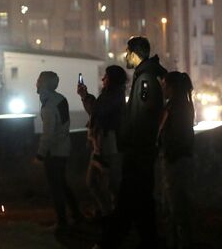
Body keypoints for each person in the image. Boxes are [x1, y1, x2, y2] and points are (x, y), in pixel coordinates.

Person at [98, 36, 167, 249]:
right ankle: (149, 241)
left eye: (126, 52)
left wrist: (134, 145)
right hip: (141, 151)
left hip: (139, 152)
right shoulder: (147, 74)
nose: (124, 56)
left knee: (129, 201)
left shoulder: (145, 77)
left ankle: (109, 243)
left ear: (134, 53)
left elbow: (144, 116)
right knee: (141, 202)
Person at [35, 71, 83, 233]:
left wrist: (40, 154)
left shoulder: (49, 105)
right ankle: (77, 216)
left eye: (39, 81)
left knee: (56, 187)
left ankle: (62, 222)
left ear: (44, 84)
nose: (36, 83)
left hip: (54, 152)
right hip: (63, 148)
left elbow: (48, 133)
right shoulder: (60, 99)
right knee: (62, 184)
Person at [78, 66, 127, 220]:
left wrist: (85, 96)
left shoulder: (114, 95)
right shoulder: (109, 95)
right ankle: (108, 212)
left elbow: (97, 111)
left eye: (105, 76)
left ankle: (111, 214)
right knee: (95, 181)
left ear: (111, 79)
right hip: (100, 144)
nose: (102, 79)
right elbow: (96, 111)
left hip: (107, 144)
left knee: (107, 182)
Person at [159, 72, 195, 249]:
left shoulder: (176, 107)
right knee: (173, 207)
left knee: (176, 208)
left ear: (172, 87)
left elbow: (175, 135)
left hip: (175, 161)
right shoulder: (182, 105)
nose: (162, 88)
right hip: (177, 160)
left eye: (165, 85)